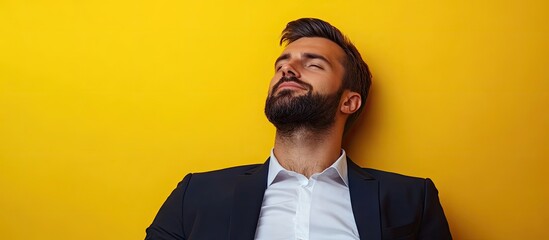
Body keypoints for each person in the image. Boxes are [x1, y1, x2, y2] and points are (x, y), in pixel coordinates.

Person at [145, 18, 452, 240]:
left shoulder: (412, 199)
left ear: (349, 101)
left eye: (314, 64)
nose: (288, 70)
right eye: (281, 66)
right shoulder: (196, 194)